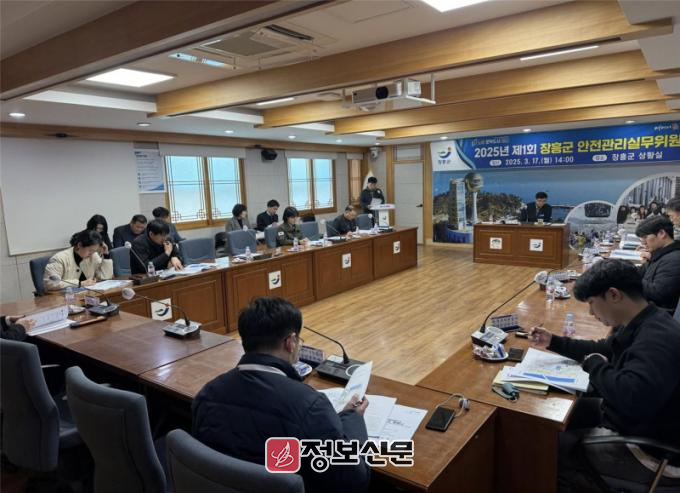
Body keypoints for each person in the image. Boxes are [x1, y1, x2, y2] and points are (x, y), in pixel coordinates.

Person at [530, 259, 680, 492]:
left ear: (613, 295)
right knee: (547, 423)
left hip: (650, 453)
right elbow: (604, 348)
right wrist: (554, 342)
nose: (591, 313)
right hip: (635, 423)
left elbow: (632, 399)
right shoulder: (646, 319)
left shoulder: (656, 340)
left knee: (546, 456)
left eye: (592, 303)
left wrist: (596, 366)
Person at [192, 297, 371, 493]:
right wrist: (352, 418)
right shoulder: (310, 405)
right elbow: (353, 479)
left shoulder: (207, 393)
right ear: (290, 342)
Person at [634, 216, 680, 312]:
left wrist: (629, 279)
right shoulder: (660, 253)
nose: (643, 243)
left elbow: (658, 293)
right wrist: (620, 269)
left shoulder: (674, 260)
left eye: (645, 237)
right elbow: (641, 271)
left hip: (656, 314)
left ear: (662, 233)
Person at [44, 229, 113, 291]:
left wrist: (106, 255)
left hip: (88, 294)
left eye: (94, 251)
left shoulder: (93, 256)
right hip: (64, 297)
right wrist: (79, 283)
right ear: (79, 245)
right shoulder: (59, 258)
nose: (92, 253)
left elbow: (105, 277)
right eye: (90, 250)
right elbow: (50, 283)